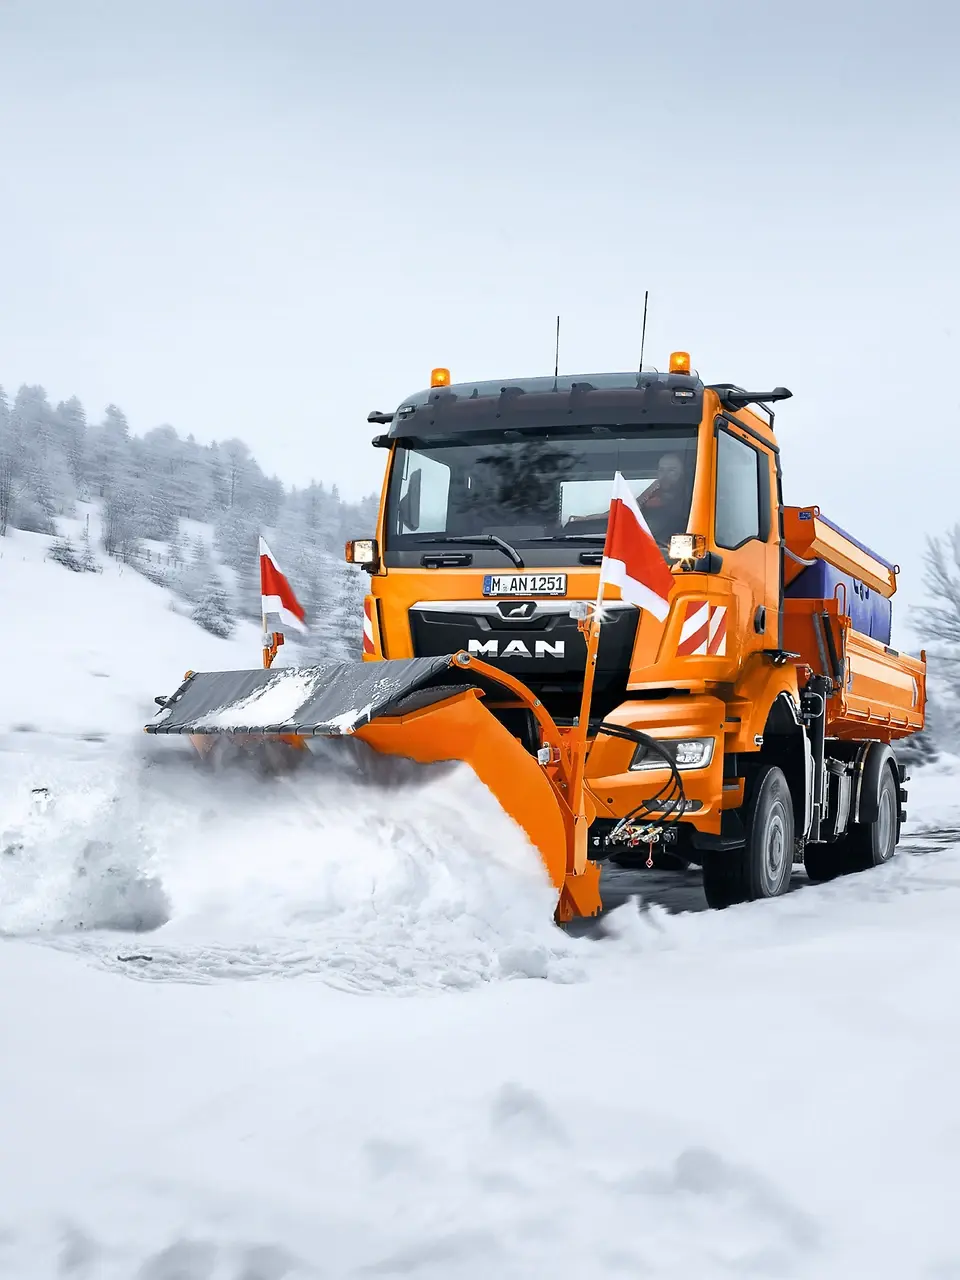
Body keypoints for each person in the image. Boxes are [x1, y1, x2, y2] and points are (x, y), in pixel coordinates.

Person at [566, 452, 689, 547]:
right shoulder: (655, 489)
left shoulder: (689, 498)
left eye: (671, 470)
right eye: (661, 470)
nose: (664, 475)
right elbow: (629, 509)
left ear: (684, 473)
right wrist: (587, 519)